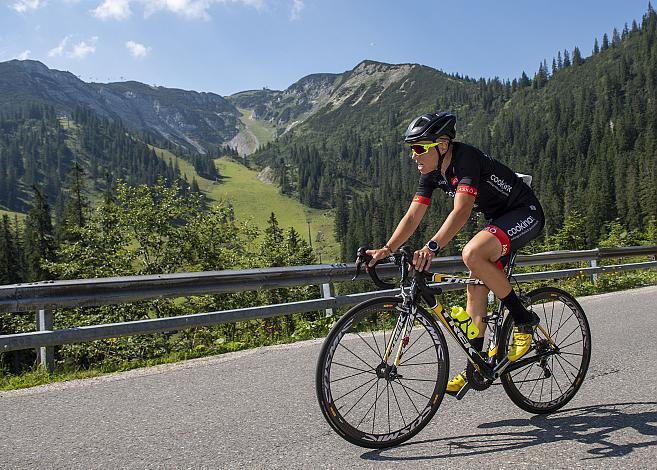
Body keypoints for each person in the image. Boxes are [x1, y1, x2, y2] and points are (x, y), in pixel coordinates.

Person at [367, 112, 545, 394]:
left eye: (418, 148)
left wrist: (432, 246)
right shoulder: (431, 173)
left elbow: (461, 210)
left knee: (472, 253)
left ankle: (524, 321)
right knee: (475, 288)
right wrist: (387, 249)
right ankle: (476, 367)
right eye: (411, 149)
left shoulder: (466, 159)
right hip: (497, 219)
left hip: (524, 212)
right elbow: (413, 216)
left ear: (442, 144)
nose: (413, 156)